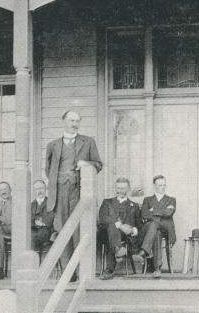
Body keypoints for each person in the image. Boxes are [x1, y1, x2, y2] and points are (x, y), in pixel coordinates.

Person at [45, 110, 102, 277]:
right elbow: (49, 170)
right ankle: (67, 274)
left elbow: (98, 165)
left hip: (79, 191)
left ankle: (80, 270)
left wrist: (86, 163)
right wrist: (60, 182)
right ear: (64, 121)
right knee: (62, 230)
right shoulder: (52, 145)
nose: (74, 124)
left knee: (78, 229)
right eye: (71, 120)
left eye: (77, 120)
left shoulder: (88, 142)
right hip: (59, 193)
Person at [98, 177, 142, 280]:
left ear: (128, 189)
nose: (119, 191)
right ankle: (117, 250)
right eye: (118, 188)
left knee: (114, 237)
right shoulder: (107, 202)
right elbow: (103, 218)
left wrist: (132, 230)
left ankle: (109, 270)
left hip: (126, 237)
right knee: (112, 228)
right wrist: (121, 226)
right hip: (106, 234)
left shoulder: (134, 206)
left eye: (122, 188)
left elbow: (139, 224)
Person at [134, 175, 176, 278]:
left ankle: (143, 252)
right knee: (156, 232)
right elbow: (144, 214)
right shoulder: (147, 200)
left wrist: (153, 212)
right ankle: (157, 269)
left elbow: (169, 213)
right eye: (159, 185)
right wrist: (161, 212)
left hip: (166, 228)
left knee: (154, 223)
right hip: (154, 229)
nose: (162, 187)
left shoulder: (171, 200)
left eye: (164, 185)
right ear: (154, 186)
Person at [0, 182, 12, 280]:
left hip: (12, 231)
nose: (3, 192)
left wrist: (1, 218)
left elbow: (12, 220)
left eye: (5, 189)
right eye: (1, 190)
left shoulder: (17, 202)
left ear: (10, 190)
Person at [31, 180, 55, 251]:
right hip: (34, 231)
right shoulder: (31, 205)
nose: (39, 191)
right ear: (34, 191)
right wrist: (34, 223)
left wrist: (43, 223)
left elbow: (52, 216)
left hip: (47, 231)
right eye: (37, 189)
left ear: (45, 188)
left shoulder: (51, 203)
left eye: (41, 188)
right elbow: (29, 219)